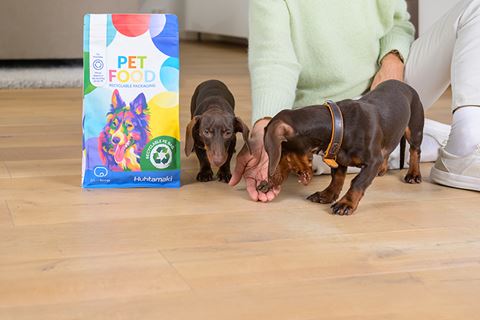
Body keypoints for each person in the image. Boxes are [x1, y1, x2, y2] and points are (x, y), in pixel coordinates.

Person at [229, 0, 480, 202]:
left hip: (386, 89)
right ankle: (410, 144)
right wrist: (268, 127)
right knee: (344, 151)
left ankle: (464, 144)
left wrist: (393, 57)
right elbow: (274, 60)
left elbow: (397, 23)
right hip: (331, 119)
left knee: (474, 7)